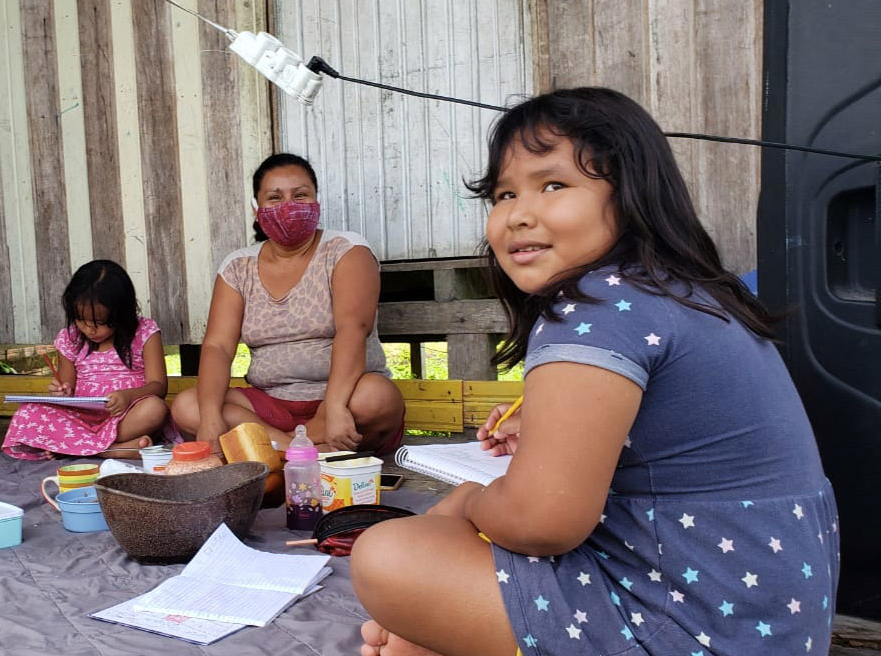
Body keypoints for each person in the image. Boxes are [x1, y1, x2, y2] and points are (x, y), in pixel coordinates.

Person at [350, 88, 839, 656]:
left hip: (691, 623)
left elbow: (541, 521)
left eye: (553, 185)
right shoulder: (684, 295)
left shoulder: (596, 308)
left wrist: (469, 504)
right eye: (505, 193)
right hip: (761, 617)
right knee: (430, 601)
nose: (519, 213)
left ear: (632, 197)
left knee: (390, 556)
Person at [170, 153, 405, 456]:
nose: (288, 206)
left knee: (376, 398)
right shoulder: (237, 267)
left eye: (300, 195)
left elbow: (353, 329)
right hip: (269, 406)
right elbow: (218, 346)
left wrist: (334, 406)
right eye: (274, 198)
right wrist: (212, 419)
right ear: (256, 209)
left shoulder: (346, 251)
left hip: (342, 400)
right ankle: (301, 452)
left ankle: (270, 451)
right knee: (190, 407)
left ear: (316, 201)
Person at [2, 259, 170, 460]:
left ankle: (72, 447)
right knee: (27, 414)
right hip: (80, 419)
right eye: (82, 320)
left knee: (155, 409)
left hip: (126, 417)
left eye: (100, 322)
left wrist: (129, 397)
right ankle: (112, 450)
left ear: (121, 313)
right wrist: (61, 392)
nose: (90, 329)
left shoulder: (144, 332)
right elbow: (67, 390)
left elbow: (158, 386)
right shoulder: (70, 339)